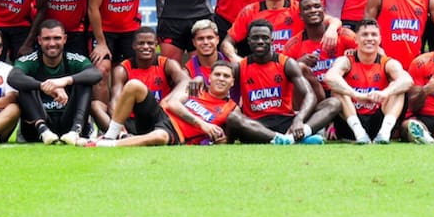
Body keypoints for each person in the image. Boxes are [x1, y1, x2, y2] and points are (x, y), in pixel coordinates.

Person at [86, 59, 296, 147]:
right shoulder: (195, 88)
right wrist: (202, 124)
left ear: (233, 82)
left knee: (159, 137)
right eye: (218, 75)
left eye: (226, 76)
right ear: (210, 77)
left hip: (178, 134)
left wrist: (218, 139)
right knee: (133, 85)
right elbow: (171, 105)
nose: (221, 79)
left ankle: (109, 145)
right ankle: (111, 133)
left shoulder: (233, 109)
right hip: (161, 117)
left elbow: (225, 139)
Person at [233, 19, 341, 143]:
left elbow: (310, 95)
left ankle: (290, 137)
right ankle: (294, 139)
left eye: (264, 38)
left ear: (271, 40)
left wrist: (299, 119)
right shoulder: (239, 67)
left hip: (286, 121)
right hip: (257, 125)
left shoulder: (286, 63)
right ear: (248, 41)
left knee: (333, 103)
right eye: (255, 38)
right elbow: (227, 99)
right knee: (233, 118)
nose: (260, 41)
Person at [8, 19, 103, 144]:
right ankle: (44, 131)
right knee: (24, 85)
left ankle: (76, 131)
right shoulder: (30, 60)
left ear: (64, 39)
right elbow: (13, 77)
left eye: (57, 38)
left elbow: (96, 74)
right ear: (39, 40)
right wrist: (43, 85)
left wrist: (65, 81)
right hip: (37, 126)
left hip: (67, 122)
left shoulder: (73, 59)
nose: (52, 43)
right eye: (47, 39)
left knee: (84, 82)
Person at [321, 19, 413, 144]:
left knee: (398, 88)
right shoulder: (346, 60)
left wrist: (385, 93)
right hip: (351, 124)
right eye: (364, 35)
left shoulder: (388, 63)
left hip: (378, 120)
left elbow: (407, 80)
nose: (370, 38)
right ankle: (360, 134)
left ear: (380, 40)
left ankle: (384, 134)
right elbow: (330, 77)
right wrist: (356, 95)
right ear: (356, 40)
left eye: (374, 35)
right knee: (337, 90)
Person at [104, 26, 191, 137]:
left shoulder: (167, 64)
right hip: (130, 120)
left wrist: (170, 99)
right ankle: (120, 134)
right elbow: (115, 100)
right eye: (141, 43)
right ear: (134, 45)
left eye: (150, 43)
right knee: (97, 106)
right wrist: (119, 124)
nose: (146, 47)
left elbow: (186, 81)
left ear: (156, 45)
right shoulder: (122, 69)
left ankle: (117, 136)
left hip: (158, 118)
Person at [283, 0, 358, 99]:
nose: (313, 10)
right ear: (300, 15)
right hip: (314, 97)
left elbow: (376, 55)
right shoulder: (293, 45)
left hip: (342, 94)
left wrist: (354, 55)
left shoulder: (344, 35)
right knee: (299, 67)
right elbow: (280, 74)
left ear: (323, 10)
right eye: (307, 8)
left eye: (317, 6)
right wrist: (298, 63)